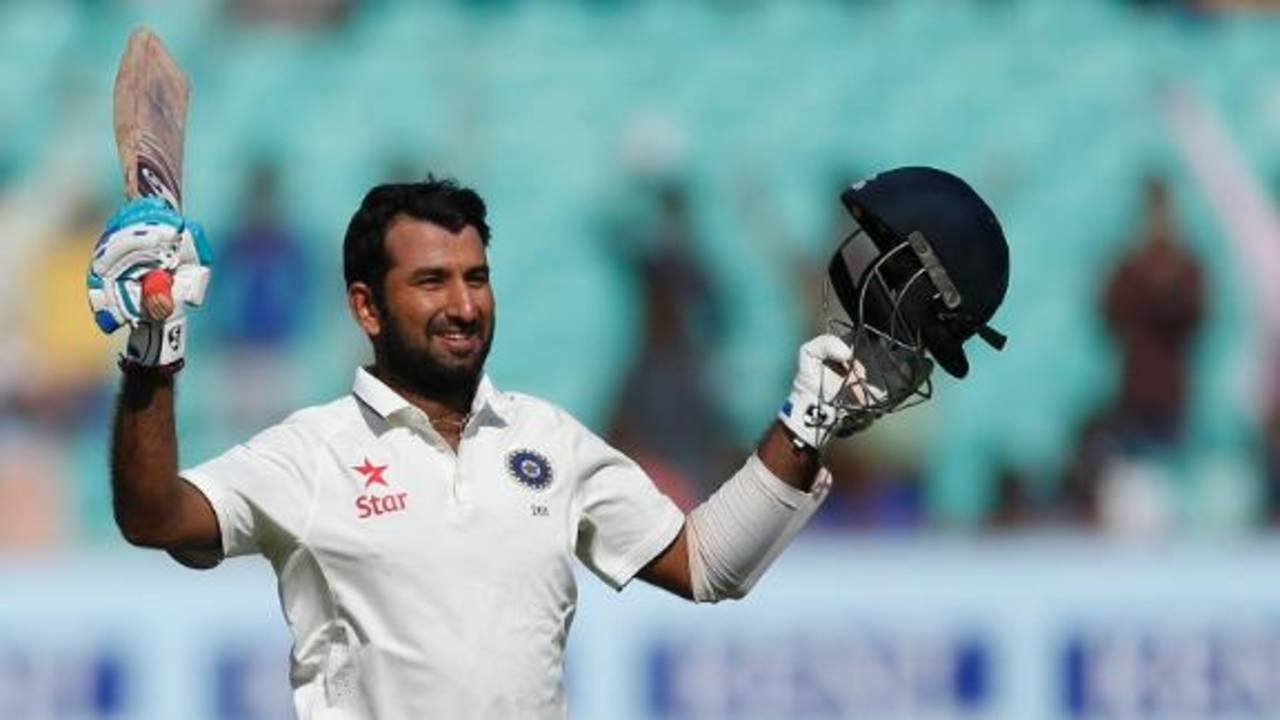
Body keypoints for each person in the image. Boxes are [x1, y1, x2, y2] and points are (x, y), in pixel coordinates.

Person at [89, 168, 1008, 718]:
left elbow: (706, 565)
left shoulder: (546, 441)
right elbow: (153, 515)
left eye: (477, 277)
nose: (463, 305)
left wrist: (808, 421)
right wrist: (152, 354)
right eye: (431, 282)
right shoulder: (311, 452)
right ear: (367, 306)